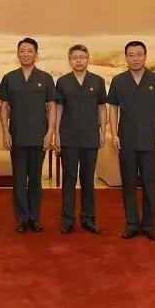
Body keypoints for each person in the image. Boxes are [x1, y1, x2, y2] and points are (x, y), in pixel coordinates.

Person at [107, 41, 155, 241]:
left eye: (139, 54)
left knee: (150, 184)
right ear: (126, 57)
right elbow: (113, 108)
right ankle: (132, 224)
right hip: (125, 139)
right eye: (131, 55)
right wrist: (114, 134)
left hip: (151, 139)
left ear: (145, 56)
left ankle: (149, 225)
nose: (135, 58)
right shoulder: (118, 81)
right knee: (128, 184)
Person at [0, 38, 57, 233]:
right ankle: (21, 218)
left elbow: (52, 107)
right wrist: (5, 132)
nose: (26, 54)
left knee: (35, 179)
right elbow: (4, 107)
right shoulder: (9, 78)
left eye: (30, 51)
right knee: (19, 179)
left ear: (36, 55)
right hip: (17, 136)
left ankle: (34, 217)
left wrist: (50, 132)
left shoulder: (46, 78)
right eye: (22, 51)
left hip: (39, 136)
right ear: (17, 54)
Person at [54, 44, 107, 235]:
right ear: (69, 61)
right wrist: (56, 133)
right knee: (69, 179)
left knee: (87, 179)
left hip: (90, 137)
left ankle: (88, 218)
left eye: (82, 57)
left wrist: (102, 132)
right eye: (75, 57)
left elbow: (102, 107)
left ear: (88, 59)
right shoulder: (62, 82)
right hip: (68, 137)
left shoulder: (98, 81)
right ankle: (67, 219)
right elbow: (59, 108)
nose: (78, 60)